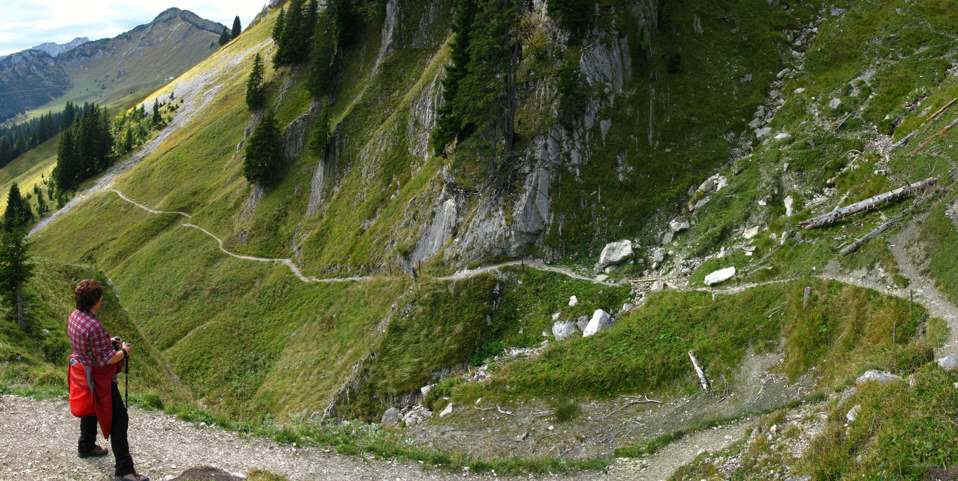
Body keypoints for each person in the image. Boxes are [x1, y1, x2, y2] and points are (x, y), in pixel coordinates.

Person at [67, 279, 149, 481]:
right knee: (119, 419)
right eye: (100, 298)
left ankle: (86, 445)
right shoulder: (94, 326)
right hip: (98, 376)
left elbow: (90, 346)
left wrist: (107, 342)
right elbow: (108, 358)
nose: (102, 301)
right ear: (94, 301)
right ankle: (125, 471)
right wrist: (123, 351)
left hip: (82, 370)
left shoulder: (75, 316)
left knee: (90, 406)